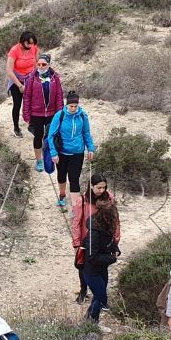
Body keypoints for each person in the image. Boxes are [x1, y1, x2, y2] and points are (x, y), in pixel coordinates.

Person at [71, 173, 119, 304]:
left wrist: (115, 240)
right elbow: (76, 222)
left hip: (103, 240)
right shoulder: (83, 200)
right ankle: (83, 290)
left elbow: (115, 220)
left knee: (102, 264)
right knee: (83, 266)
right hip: (86, 240)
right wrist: (76, 243)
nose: (102, 190)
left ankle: (99, 294)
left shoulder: (109, 199)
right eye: (99, 187)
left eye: (104, 187)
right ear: (91, 186)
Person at [46, 91, 96, 210]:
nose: (73, 108)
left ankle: (75, 207)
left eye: (75, 106)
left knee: (74, 178)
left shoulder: (82, 115)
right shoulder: (60, 115)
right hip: (62, 152)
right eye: (71, 106)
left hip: (77, 152)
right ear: (66, 105)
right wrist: (53, 153)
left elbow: (86, 133)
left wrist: (90, 148)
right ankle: (62, 195)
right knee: (61, 176)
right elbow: (51, 135)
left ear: (78, 105)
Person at [20, 53, 63, 172]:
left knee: (51, 137)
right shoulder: (31, 78)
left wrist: (60, 114)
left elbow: (59, 96)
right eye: (38, 64)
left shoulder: (56, 78)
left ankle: (49, 159)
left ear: (49, 64)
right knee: (38, 136)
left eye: (43, 64)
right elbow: (27, 97)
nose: (41, 66)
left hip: (51, 113)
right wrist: (26, 114)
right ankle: (39, 161)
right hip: (36, 114)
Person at [82, 202, 121, 326]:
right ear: (107, 217)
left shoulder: (105, 228)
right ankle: (92, 322)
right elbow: (91, 257)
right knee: (101, 298)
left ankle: (89, 319)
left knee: (98, 297)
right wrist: (111, 259)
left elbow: (108, 243)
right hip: (91, 272)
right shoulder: (94, 234)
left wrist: (115, 249)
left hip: (101, 269)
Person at [5, 31, 39, 138]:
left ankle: (31, 125)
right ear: (22, 42)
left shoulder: (34, 48)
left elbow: (37, 64)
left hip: (29, 77)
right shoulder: (14, 51)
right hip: (16, 79)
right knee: (17, 103)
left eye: (32, 43)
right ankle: (16, 127)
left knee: (32, 102)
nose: (30, 46)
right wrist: (20, 86)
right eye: (28, 43)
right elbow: (9, 70)